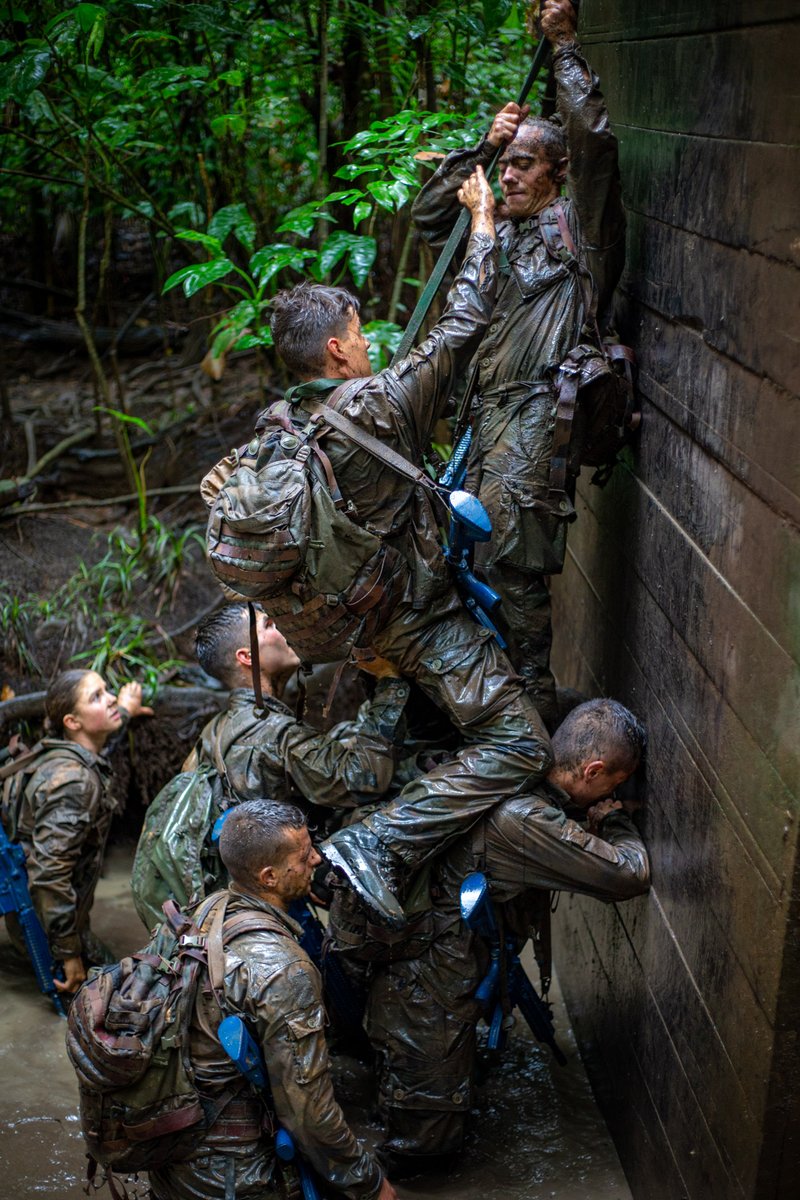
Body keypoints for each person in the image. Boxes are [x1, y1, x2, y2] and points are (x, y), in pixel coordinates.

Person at [260, 169, 552, 929]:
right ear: (335, 347)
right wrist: (482, 221)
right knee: (521, 743)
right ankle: (376, 844)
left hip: (361, 632)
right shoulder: (379, 406)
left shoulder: (278, 431)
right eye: (359, 335)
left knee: (428, 738)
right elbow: (465, 320)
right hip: (418, 622)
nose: (369, 344)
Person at [412, 0, 625, 725]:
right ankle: (496, 738)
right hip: (483, 438)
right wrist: (481, 146)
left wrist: (564, 46)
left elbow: (594, 142)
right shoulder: (498, 230)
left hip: (532, 441)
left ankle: (528, 755)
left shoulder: (578, 235)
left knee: (521, 607)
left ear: (558, 175)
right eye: (505, 166)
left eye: (523, 164)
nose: (507, 177)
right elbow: (429, 220)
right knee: (472, 587)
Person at [329, 699, 649, 1171]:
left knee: (394, 1086)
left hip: (410, 962)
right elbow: (629, 875)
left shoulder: (505, 773)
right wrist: (614, 819)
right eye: (612, 785)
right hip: (424, 986)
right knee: (425, 1152)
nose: (611, 794)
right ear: (592, 770)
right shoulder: (526, 820)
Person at [147, 798, 397, 1200]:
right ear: (269, 876)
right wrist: (369, 1183)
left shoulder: (195, 915)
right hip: (237, 1176)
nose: (317, 858)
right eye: (304, 856)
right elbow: (309, 1115)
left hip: (171, 1153)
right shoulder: (284, 971)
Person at [189, 602, 410, 819]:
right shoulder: (275, 733)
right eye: (268, 625)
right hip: (297, 851)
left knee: (344, 733)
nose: (283, 626)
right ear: (247, 657)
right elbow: (364, 780)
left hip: (253, 848)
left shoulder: (212, 731)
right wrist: (388, 682)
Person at [8, 669, 151, 994]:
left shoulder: (65, 751)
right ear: (73, 722)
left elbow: (101, 739)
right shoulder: (73, 782)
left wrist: (126, 711)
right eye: (97, 697)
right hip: (43, 928)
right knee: (119, 993)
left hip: (54, 915)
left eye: (107, 690)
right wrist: (69, 954)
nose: (112, 697)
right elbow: (48, 874)